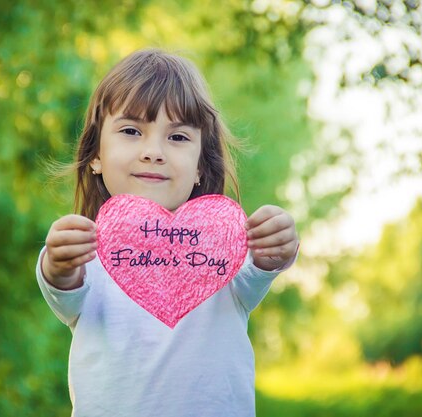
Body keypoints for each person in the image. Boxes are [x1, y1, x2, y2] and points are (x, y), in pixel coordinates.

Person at [36, 49, 299, 417]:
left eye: (177, 138)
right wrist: (59, 260)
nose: (153, 152)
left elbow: (263, 264)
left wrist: (277, 242)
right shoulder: (86, 250)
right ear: (95, 154)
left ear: (199, 167)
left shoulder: (224, 247)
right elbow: (62, 281)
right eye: (131, 131)